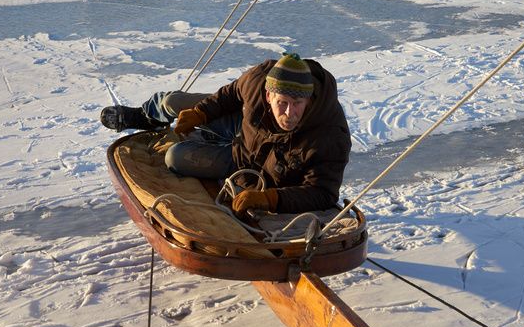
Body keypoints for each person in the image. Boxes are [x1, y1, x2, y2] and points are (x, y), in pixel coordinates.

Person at [100, 53, 351, 216]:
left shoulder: (329, 135)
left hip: (247, 163)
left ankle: (206, 141)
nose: (289, 113)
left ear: (309, 99)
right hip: (245, 128)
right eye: (282, 103)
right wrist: (201, 113)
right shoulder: (257, 81)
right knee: (172, 102)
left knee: (175, 158)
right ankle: (146, 116)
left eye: (298, 103)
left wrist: (271, 198)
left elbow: (323, 192)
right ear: (267, 95)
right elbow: (231, 94)